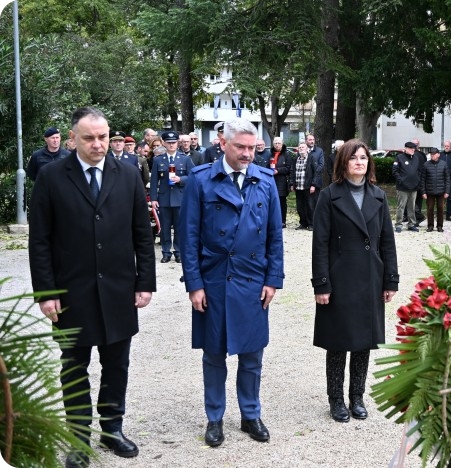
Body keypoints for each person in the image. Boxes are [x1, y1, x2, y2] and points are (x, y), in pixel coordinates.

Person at [28, 107, 156, 468]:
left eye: (103, 136)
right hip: (71, 293)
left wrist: (144, 282)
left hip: (118, 290)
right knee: (73, 367)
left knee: (117, 365)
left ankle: (112, 429)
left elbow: (141, 234)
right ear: (73, 139)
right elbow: (39, 241)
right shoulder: (52, 177)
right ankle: (78, 439)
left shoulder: (128, 175)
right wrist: (46, 293)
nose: (98, 144)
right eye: (89, 138)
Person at [178, 117, 284, 448]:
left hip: (253, 280)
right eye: (240, 147)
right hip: (214, 280)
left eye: (252, 148)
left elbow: (274, 237)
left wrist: (273, 279)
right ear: (223, 143)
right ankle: (215, 417)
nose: (247, 154)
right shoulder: (201, 180)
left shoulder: (265, 181)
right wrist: (194, 284)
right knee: (213, 353)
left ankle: (250, 414)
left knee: (252, 353)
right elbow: (188, 235)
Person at [311, 139, 398, 423]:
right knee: (337, 342)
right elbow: (320, 243)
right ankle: (336, 399)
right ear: (343, 163)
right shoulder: (329, 196)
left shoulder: (379, 196)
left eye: (364, 157)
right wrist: (321, 284)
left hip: (370, 277)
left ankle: (357, 396)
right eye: (354, 158)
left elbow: (387, 241)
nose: (360, 162)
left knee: (363, 341)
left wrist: (390, 280)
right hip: (340, 277)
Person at [150, 131, 195, 263]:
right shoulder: (158, 160)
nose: (171, 145)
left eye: (174, 143)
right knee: (164, 228)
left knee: (179, 227)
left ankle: (178, 252)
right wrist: (153, 199)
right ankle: (166, 252)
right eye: (168, 143)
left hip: (180, 198)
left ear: (177, 143)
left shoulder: (185, 159)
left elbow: (193, 176)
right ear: (164, 143)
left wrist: (180, 179)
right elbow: (154, 181)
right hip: (164, 199)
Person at [255, 136, 292, 228]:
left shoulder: (286, 154)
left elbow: (288, 168)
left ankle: (283, 221)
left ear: (282, 143)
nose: (277, 145)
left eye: (279, 143)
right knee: (271, 201)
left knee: (281, 201)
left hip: (281, 181)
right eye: (275, 143)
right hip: (271, 180)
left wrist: (278, 170)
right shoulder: (270, 153)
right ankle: (273, 220)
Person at [392, 141, 422, 232]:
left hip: (413, 187)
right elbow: (395, 171)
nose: (413, 150)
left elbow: (419, 171)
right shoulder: (399, 158)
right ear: (406, 149)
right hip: (402, 187)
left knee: (411, 207)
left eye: (414, 149)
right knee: (401, 206)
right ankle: (398, 224)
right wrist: (401, 180)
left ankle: (411, 224)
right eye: (411, 148)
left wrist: (417, 181)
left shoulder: (416, 158)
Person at [421, 147, 449, 232]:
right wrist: (423, 192)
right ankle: (430, 225)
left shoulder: (444, 164)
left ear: (438, 154)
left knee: (440, 208)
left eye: (433, 154)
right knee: (430, 209)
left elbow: (447, 178)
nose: (432, 155)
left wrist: (447, 191)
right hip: (430, 191)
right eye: (431, 154)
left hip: (441, 191)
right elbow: (423, 179)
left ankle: (440, 226)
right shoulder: (426, 164)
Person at [289, 142, 315, 230]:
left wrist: (313, 185)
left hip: (308, 186)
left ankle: (311, 224)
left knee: (309, 206)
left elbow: (316, 172)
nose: (301, 149)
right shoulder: (296, 159)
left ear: (307, 149)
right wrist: (292, 184)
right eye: (300, 147)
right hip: (298, 187)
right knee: (300, 207)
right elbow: (292, 172)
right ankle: (303, 223)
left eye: (303, 147)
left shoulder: (311, 158)